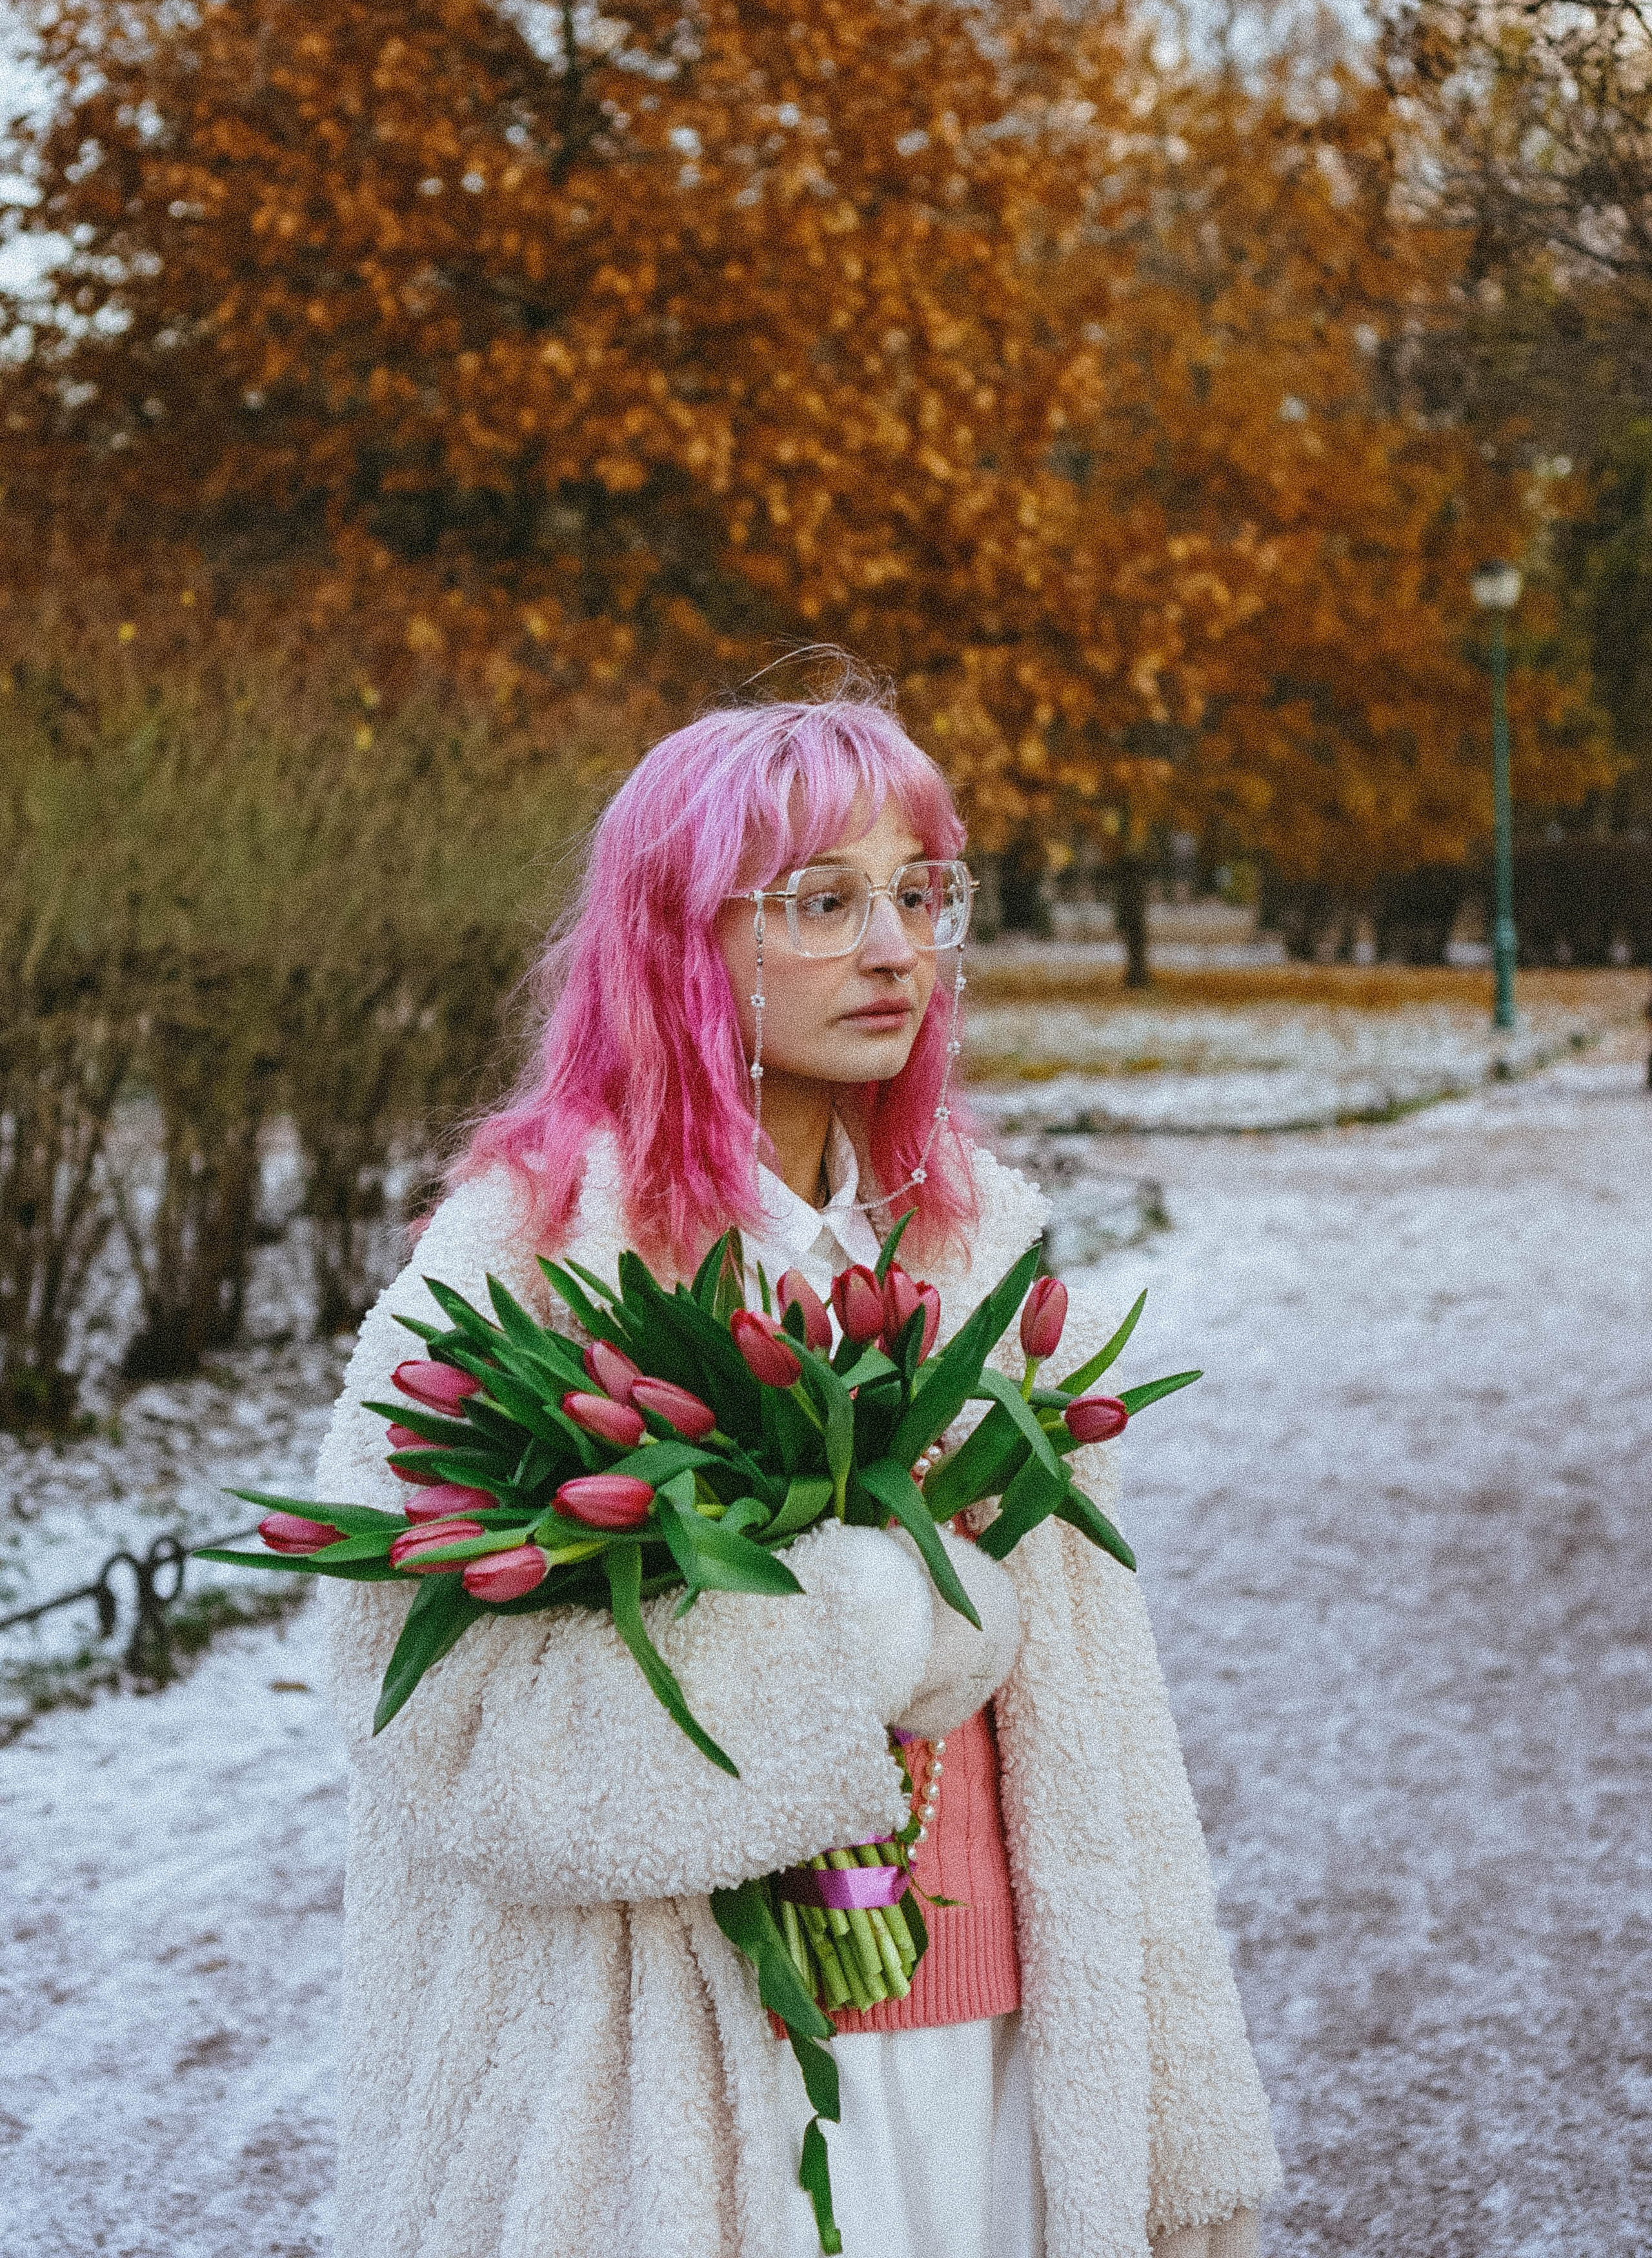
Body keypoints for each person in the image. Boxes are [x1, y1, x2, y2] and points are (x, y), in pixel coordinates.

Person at [316, 685, 1280, 2258]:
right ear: (677, 940)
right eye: (823, 902)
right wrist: (856, 1625)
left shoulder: (968, 1238)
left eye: (918, 893)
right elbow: (433, 1730)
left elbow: (1103, 1728)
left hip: (998, 2041)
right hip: (681, 2085)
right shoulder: (529, 1257)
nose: (896, 949)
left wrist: (1174, 2119)